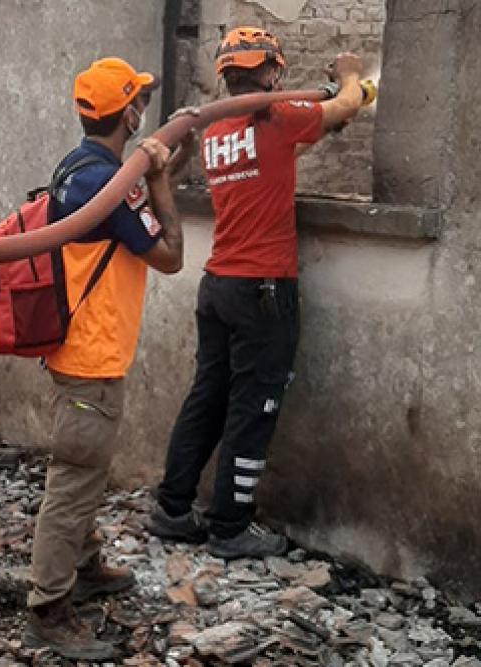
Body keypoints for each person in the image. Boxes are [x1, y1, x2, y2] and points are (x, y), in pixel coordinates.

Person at [147, 28, 365, 559]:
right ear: (270, 72)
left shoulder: (217, 126)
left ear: (227, 75)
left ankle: (173, 507)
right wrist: (352, 73)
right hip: (263, 288)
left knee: (208, 397)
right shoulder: (280, 116)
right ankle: (230, 526)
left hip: (218, 282)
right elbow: (346, 107)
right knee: (253, 406)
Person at [22, 57, 189, 660]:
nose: (145, 103)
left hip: (74, 349)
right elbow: (169, 254)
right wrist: (163, 183)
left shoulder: (81, 166)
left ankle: (85, 564)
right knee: (73, 480)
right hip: (91, 356)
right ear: (132, 111)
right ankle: (48, 607)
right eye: (140, 97)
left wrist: (162, 162)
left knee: (84, 470)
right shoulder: (106, 185)